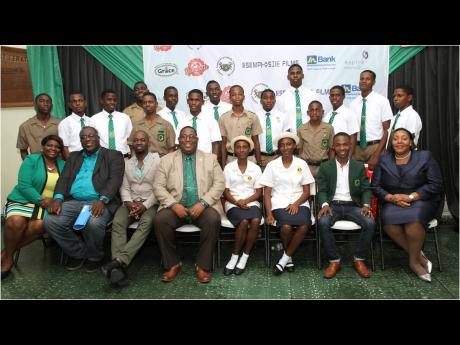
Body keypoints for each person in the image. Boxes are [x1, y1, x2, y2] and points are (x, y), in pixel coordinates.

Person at [44, 126, 125, 273]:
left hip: (99, 202)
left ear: (98, 138)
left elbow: (115, 180)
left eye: (90, 136)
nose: (87, 139)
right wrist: (57, 198)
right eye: (83, 137)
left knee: (93, 222)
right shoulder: (74, 156)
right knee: (50, 220)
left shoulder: (113, 155)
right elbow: (64, 179)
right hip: (73, 201)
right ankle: (78, 252)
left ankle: (95, 257)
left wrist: (102, 199)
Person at [153, 126, 225, 283]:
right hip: (176, 207)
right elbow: (158, 186)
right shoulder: (166, 160)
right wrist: (173, 205)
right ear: (178, 141)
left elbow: (220, 183)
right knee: (160, 220)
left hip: (203, 206)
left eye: (191, 136)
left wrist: (203, 203)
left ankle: (202, 265)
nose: (187, 140)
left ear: (197, 140)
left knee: (213, 220)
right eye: (184, 137)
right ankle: (173, 264)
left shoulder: (210, 158)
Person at [371, 128, 443, 282]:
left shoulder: (425, 157)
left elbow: (435, 184)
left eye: (404, 138)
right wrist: (391, 197)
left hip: (422, 200)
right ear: (392, 142)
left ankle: (413, 262)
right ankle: (418, 255)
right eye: (396, 138)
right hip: (394, 200)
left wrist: (411, 197)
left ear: (411, 142)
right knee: (388, 220)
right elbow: (375, 186)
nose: (399, 142)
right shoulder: (384, 160)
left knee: (414, 221)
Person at [101, 130, 160, 287]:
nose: (139, 142)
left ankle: (119, 261)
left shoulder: (157, 160)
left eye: (143, 140)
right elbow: (124, 187)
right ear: (132, 144)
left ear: (149, 143)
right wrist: (128, 203)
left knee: (146, 222)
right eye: (136, 140)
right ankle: (117, 268)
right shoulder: (126, 163)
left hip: (151, 203)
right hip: (130, 203)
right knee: (118, 222)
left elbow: (159, 188)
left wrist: (144, 205)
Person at [2, 135, 65, 279]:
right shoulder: (31, 160)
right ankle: (7, 260)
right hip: (23, 200)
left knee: (41, 225)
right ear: (43, 147)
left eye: (57, 147)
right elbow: (24, 185)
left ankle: (6, 254)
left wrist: (54, 201)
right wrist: (42, 200)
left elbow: (64, 187)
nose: (53, 149)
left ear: (60, 150)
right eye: (49, 145)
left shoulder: (63, 165)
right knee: (16, 222)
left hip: (47, 205)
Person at [317, 132, 375, 279]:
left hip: (353, 206)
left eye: (345, 144)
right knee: (323, 222)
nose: (342, 147)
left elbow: (366, 189)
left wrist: (366, 205)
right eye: (338, 144)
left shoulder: (359, 166)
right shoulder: (325, 167)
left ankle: (359, 259)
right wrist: (324, 204)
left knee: (370, 222)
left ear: (350, 145)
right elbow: (322, 190)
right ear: (333, 147)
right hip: (333, 206)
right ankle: (334, 261)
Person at [257, 132, 315, 275]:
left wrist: (296, 204)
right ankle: (288, 258)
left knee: (304, 225)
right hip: (279, 202)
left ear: (294, 146)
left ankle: (284, 259)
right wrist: (269, 213)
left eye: (289, 144)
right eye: (282, 145)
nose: (285, 147)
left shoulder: (302, 164)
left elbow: (307, 191)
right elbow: (267, 193)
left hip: (300, 201)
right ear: (279, 148)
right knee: (286, 227)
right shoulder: (272, 165)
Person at [223, 136, 263, 276]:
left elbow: (259, 192)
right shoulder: (228, 168)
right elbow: (225, 191)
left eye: (244, 147)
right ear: (234, 150)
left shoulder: (256, 168)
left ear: (249, 150)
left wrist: (245, 201)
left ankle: (245, 256)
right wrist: (237, 202)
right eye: (238, 147)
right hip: (232, 202)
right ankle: (234, 256)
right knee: (244, 221)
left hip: (251, 201)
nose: (241, 149)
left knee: (256, 220)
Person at [350, 70, 393, 169]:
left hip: (375, 147)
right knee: (357, 182)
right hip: (357, 149)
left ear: (373, 82)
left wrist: (377, 154)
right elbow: (352, 131)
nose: (364, 81)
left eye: (368, 79)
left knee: (375, 182)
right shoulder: (353, 104)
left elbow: (387, 130)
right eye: (362, 79)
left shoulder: (382, 101)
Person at [219, 85, 263, 167]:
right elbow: (223, 144)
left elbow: (256, 141)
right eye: (234, 95)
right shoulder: (223, 118)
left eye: (239, 94)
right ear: (230, 98)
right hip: (231, 159)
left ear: (244, 97)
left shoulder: (252, 116)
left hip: (250, 159)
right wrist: (223, 165)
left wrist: (259, 162)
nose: (237, 97)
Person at [89, 89, 133, 158]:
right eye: (109, 99)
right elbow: (91, 141)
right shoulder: (94, 119)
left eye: (114, 100)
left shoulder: (125, 118)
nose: (112, 102)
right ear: (102, 101)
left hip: (123, 158)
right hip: (102, 159)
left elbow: (130, 138)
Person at [129, 92, 176, 157]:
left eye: (150, 102)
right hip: (142, 163)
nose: (147, 104)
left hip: (161, 162)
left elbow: (171, 149)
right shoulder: (137, 125)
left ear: (156, 104)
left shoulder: (166, 125)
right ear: (142, 105)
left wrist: (166, 164)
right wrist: (135, 163)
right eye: (145, 102)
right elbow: (132, 146)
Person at [176, 89, 221, 156]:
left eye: (197, 100)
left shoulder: (211, 121)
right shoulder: (182, 123)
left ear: (202, 102)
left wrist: (213, 162)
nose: (193, 103)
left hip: (206, 161)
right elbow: (178, 145)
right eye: (191, 100)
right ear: (187, 101)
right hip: (187, 160)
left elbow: (215, 144)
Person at [17, 93, 60, 160]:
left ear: (52, 105)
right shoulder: (25, 126)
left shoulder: (60, 124)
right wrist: (29, 165)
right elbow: (23, 150)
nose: (45, 104)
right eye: (42, 101)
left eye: (48, 101)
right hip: (36, 164)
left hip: (56, 163)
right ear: (35, 105)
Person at [276, 64, 318, 134]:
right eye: (292, 73)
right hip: (290, 139)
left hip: (310, 136)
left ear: (303, 76)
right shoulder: (281, 99)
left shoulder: (312, 96)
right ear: (288, 77)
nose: (295, 75)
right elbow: (280, 121)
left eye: (298, 73)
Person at [298, 101, 335, 178]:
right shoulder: (301, 129)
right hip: (307, 167)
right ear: (308, 113)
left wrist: (331, 165)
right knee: (307, 189)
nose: (314, 112)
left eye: (317, 110)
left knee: (323, 189)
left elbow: (332, 149)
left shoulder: (329, 128)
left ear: (322, 112)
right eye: (312, 110)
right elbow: (300, 149)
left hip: (324, 166)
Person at [256, 89, 290, 169]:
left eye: (271, 98)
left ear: (275, 101)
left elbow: (287, 138)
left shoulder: (282, 116)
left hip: (278, 157)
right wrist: (257, 159)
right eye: (265, 98)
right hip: (260, 157)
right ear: (261, 101)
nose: (268, 100)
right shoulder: (255, 116)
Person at [323, 85, 359, 157]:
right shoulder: (327, 116)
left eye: (337, 95)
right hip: (329, 153)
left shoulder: (349, 114)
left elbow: (353, 137)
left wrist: (349, 157)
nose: (334, 98)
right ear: (329, 97)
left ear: (343, 97)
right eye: (332, 95)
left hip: (343, 152)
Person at [58, 92, 91, 160]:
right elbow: (64, 147)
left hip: (93, 159)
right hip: (75, 160)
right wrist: (71, 165)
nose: (77, 104)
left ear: (85, 103)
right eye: (74, 101)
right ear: (69, 105)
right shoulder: (65, 123)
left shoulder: (92, 121)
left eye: (80, 101)